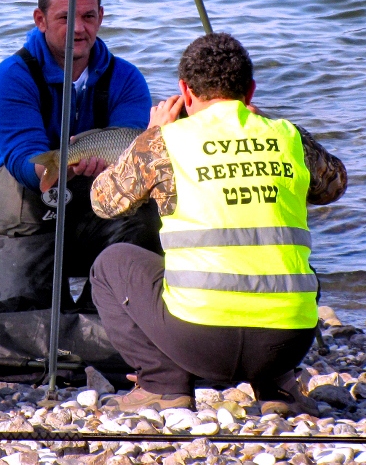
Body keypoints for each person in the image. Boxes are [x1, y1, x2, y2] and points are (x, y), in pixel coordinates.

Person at [89, 33, 348, 414]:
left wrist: (148, 134)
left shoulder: (165, 142)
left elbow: (103, 200)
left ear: (185, 92)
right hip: (285, 344)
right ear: (251, 91)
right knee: (289, 260)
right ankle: (277, 387)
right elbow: (335, 185)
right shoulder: (287, 136)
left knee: (110, 265)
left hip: (200, 344)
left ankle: (163, 384)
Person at [0, 0, 161, 310]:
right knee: (30, 320)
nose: (78, 28)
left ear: (101, 17)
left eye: (88, 16)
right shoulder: (11, 76)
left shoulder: (127, 78)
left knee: (146, 219)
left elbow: (131, 148)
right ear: (40, 19)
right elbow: (22, 157)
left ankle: (100, 313)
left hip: (95, 216)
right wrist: (55, 171)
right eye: (64, 17)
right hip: (19, 222)